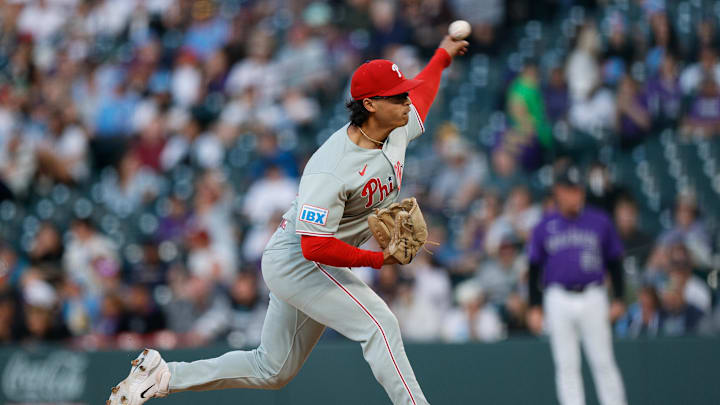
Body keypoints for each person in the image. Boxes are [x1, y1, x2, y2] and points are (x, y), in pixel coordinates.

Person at [107, 36, 468, 405]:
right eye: (396, 95)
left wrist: (442, 54)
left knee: (272, 370)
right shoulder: (330, 169)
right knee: (380, 324)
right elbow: (315, 246)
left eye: (403, 92)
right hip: (299, 260)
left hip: (308, 260)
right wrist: (379, 260)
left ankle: (163, 376)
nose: (406, 100)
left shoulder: (398, 126)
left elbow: (422, 92)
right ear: (371, 104)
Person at [526, 165, 628, 405]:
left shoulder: (599, 221)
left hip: (593, 294)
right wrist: (534, 306)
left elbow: (615, 261)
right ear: (558, 191)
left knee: (603, 361)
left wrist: (620, 298)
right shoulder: (545, 225)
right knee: (566, 365)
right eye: (569, 189)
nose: (575, 194)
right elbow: (533, 268)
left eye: (578, 189)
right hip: (558, 296)